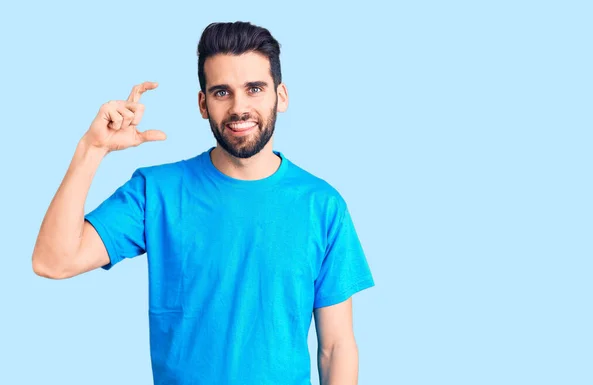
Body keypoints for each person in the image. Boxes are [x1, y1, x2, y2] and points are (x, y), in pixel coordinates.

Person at [32, 21, 375, 384]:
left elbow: (335, 346)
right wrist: (92, 149)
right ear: (202, 103)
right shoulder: (156, 192)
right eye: (222, 92)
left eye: (254, 89)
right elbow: (53, 260)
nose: (239, 108)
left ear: (281, 96)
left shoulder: (322, 206)